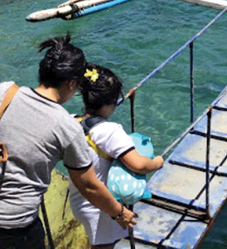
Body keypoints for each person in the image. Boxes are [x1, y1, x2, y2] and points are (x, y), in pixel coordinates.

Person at [0, 34, 136, 249]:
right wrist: (120, 213)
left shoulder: (4, 91)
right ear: (71, 83)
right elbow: (88, 185)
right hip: (16, 229)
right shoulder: (66, 126)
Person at [69, 63, 164, 249]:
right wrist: (157, 163)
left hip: (79, 199)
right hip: (101, 206)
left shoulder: (73, 121)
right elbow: (137, 164)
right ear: (110, 103)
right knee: (105, 246)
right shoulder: (110, 131)